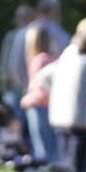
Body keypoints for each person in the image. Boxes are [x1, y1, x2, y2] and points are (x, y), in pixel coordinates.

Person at [48, 17, 86, 172]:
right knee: (76, 162)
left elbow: (45, 75)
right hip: (79, 120)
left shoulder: (66, 57)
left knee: (65, 159)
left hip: (59, 117)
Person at [19, 24, 59, 164]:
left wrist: (26, 100)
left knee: (42, 149)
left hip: (40, 107)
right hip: (53, 107)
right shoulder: (55, 58)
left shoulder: (39, 60)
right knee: (53, 148)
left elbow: (39, 89)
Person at [0, 4, 36, 127]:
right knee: (15, 124)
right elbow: (5, 62)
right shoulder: (11, 36)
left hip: (29, 89)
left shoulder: (35, 35)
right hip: (12, 88)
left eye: (26, 16)